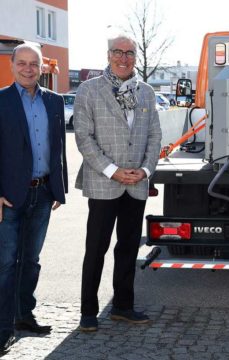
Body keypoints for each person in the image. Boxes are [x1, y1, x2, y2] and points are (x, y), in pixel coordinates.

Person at [74, 34, 161, 332]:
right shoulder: (89, 90)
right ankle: (88, 311)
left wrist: (146, 170)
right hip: (103, 182)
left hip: (136, 183)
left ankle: (123, 306)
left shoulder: (146, 92)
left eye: (129, 53)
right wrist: (112, 170)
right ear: (108, 54)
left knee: (127, 247)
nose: (124, 58)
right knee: (95, 247)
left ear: (135, 57)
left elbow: (154, 136)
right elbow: (84, 138)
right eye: (118, 52)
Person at [0, 43, 68, 354]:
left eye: (34, 64)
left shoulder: (54, 101)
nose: (28, 69)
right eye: (22, 63)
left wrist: (58, 187)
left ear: (42, 67)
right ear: (12, 66)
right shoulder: (1, 101)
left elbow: (59, 148)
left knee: (31, 261)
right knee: (6, 264)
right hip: (9, 197)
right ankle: (3, 328)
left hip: (43, 194)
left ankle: (24, 316)